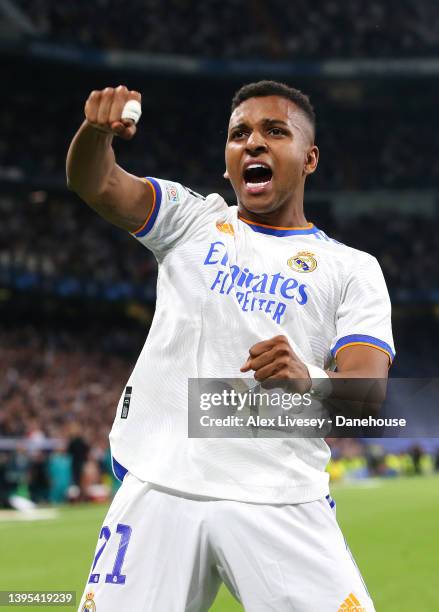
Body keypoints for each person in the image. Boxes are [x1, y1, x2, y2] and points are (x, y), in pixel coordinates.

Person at [67, 81, 394, 612]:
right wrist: (95, 134)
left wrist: (307, 377)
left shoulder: (352, 269)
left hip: (281, 497)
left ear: (309, 158)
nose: (254, 142)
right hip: (161, 486)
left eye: (274, 131)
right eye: (239, 133)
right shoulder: (190, 219)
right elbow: (95, 182)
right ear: (226, 162)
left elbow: (367, 392)